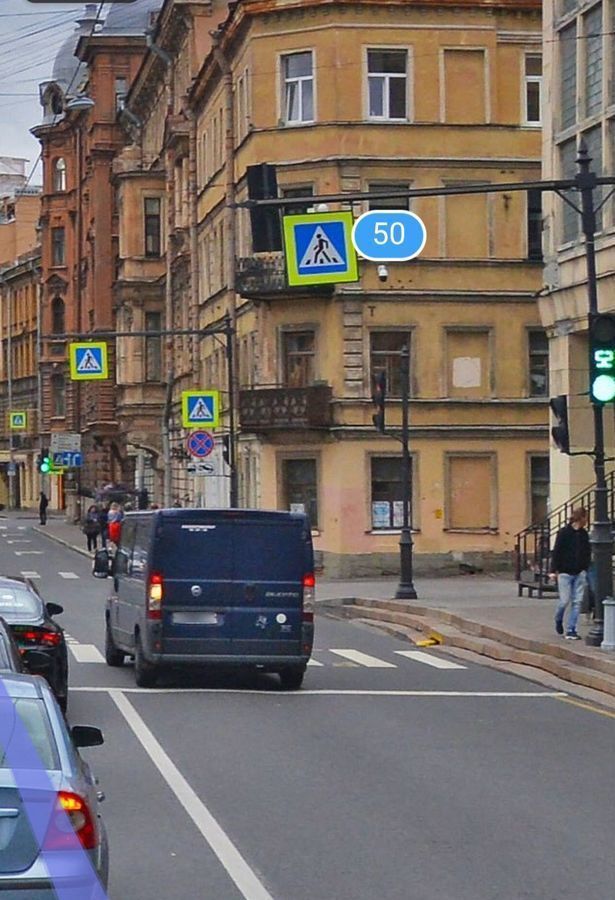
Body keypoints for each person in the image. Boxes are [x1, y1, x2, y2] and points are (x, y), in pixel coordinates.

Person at [550, 507, 591, 640]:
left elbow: (587, 552)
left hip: (579, 572)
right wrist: (553, 570)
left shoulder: (584, 534)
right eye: (586, 518)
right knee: (564, 601)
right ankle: (558, 618)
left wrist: (585, 568)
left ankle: (571, 629)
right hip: (565, 573)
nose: (587, 521)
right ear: (582, 518)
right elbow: (556, 552)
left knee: (577, 602)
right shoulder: (564, 533)